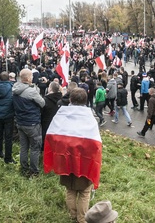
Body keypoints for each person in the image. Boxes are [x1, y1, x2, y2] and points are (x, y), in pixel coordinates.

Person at [44, 88, 102, 223]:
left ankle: (72, 214)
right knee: (84, 192)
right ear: (85, 101)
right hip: (84, 163)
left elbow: (52, 136)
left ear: (70, 99)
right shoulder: (90, 118)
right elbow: (96, 144)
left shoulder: (61, 115)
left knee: (70, 190)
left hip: (65, 160)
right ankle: (82, 219)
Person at [12, 68, 46, 177]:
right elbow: (42, 103)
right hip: (32, 123)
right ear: (27, 78)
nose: (32, 78)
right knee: (35, 148)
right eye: (31, 76)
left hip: (20, 122)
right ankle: (34, 171)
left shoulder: (15, 88)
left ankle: (24, 168)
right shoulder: (31, 91)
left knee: (24, 147)